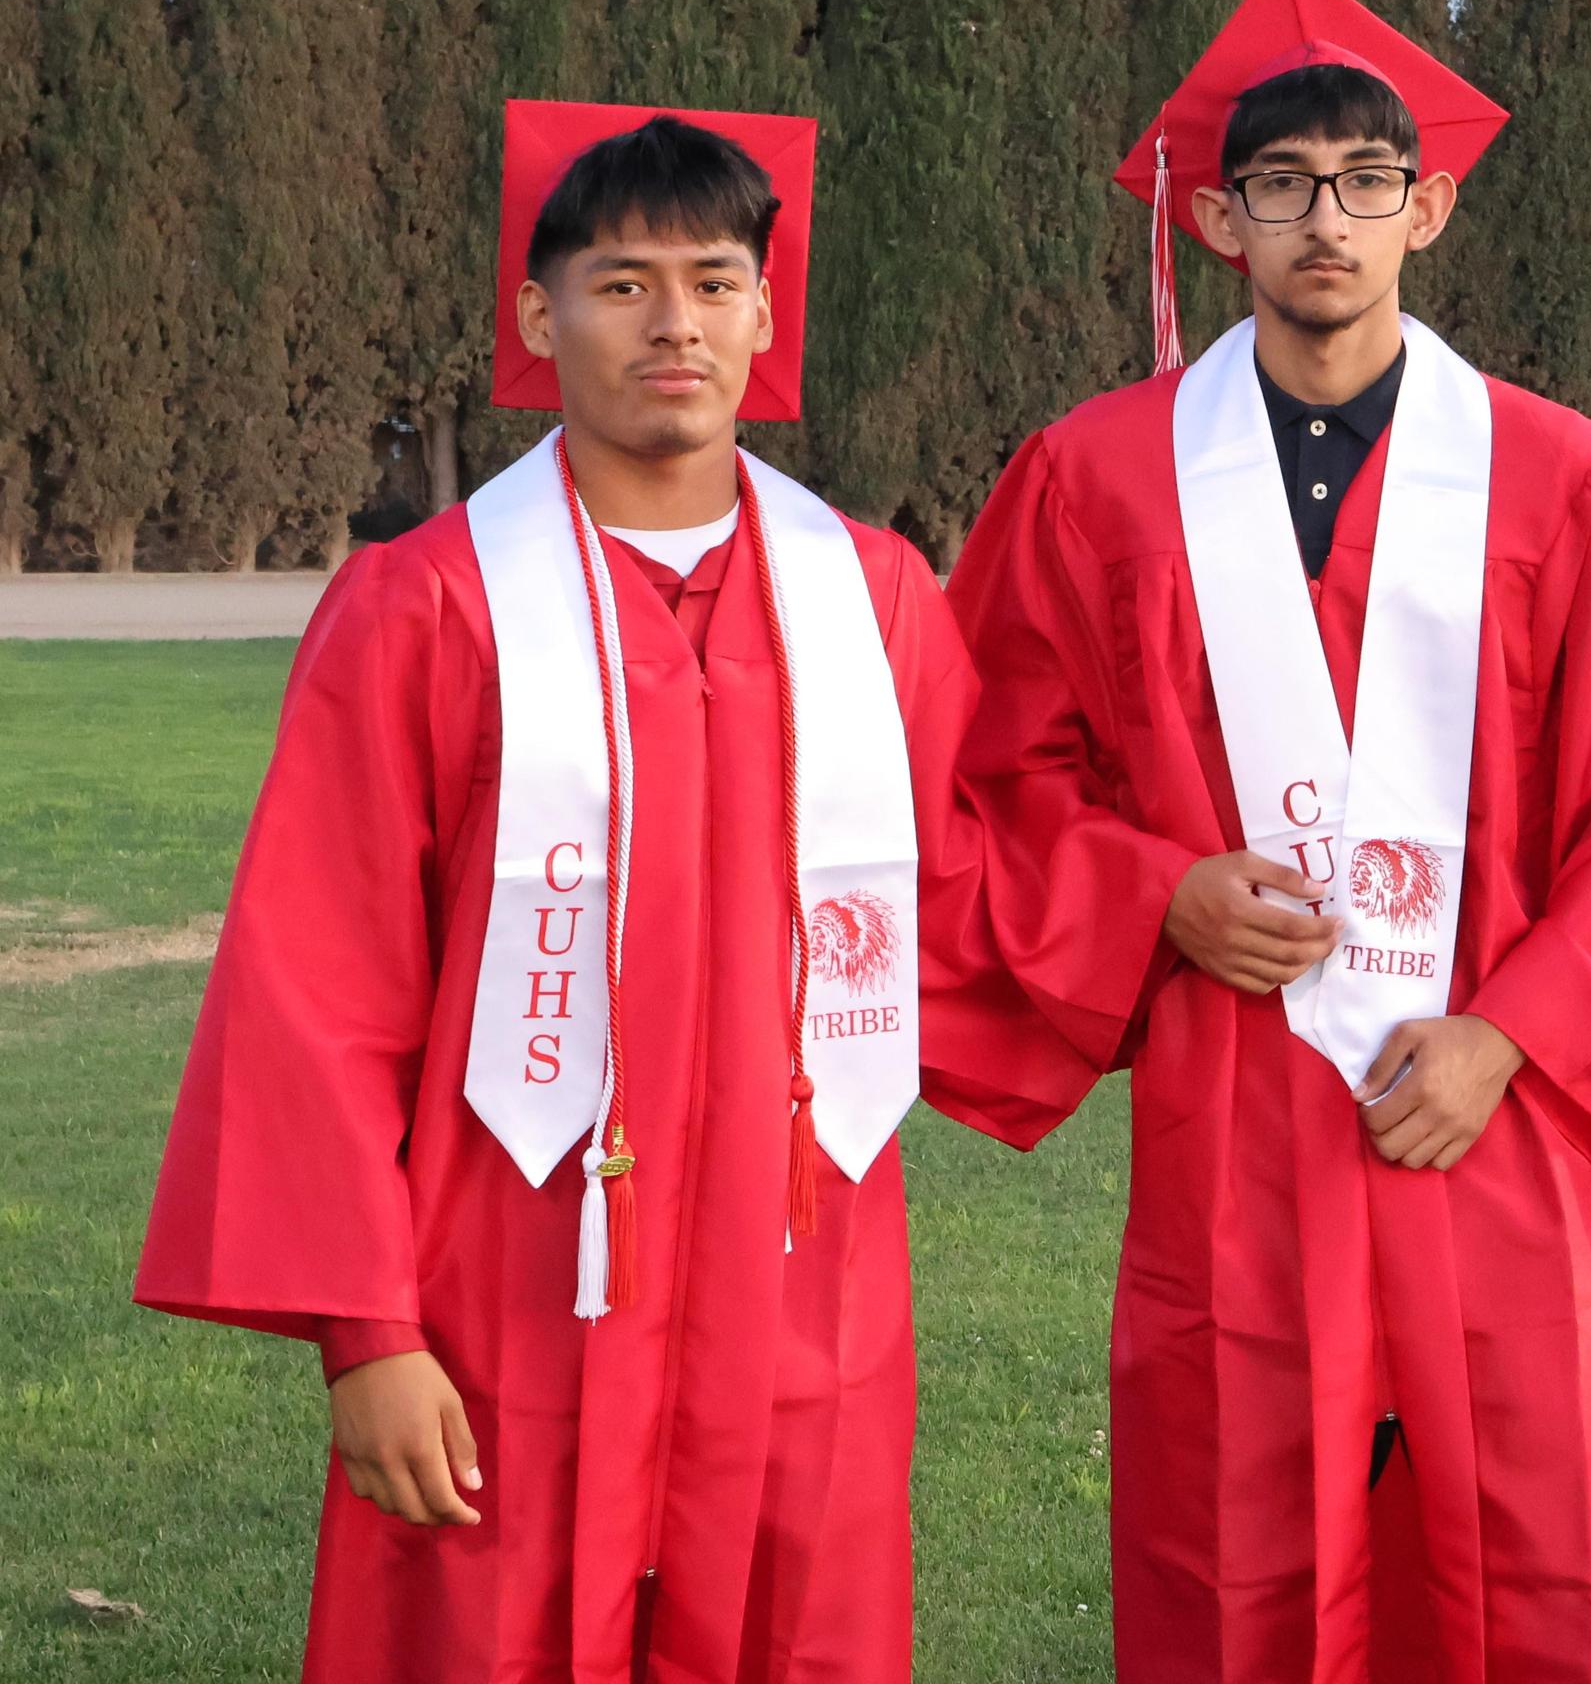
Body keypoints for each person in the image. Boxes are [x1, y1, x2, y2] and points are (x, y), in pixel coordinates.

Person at [927, 0, 1591, 1682]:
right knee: (1246, 1571)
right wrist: (1152, 893)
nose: (1329, 220)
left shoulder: (1564, 480)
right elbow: (981, 780)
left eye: (1367, 185)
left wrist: (1513, 1036)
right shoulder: (1092, 481)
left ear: (1429, 211)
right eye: (1287, 187)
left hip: (1512, 1122)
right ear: (1221, 221)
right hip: (1247, 1114)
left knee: (1561, 1560)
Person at [136, 104, 1044, 1683]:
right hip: (505, 1277)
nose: (674, 321)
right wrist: (370, 1335)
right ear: (535, 319)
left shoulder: (873, 596)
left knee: (795, 1626)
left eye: (712, 280)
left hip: (798, 1272)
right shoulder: (425, 606)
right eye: (621, 283)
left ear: (768, 314)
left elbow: (975, 895)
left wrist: (1167, 901)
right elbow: (316, 981)